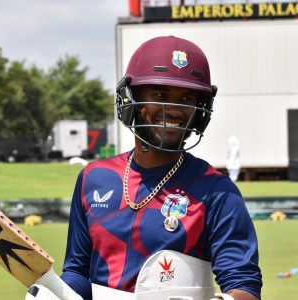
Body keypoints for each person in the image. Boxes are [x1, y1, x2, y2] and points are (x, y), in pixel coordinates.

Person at [59, 36, 262, 300]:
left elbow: (244, 285)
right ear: (132, 100)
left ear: (199, 110)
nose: (174, 109)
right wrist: (56, 292)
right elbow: (77, 271)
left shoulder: (217, 190)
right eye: (160, 95)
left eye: (187, 98)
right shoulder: (93, 178)